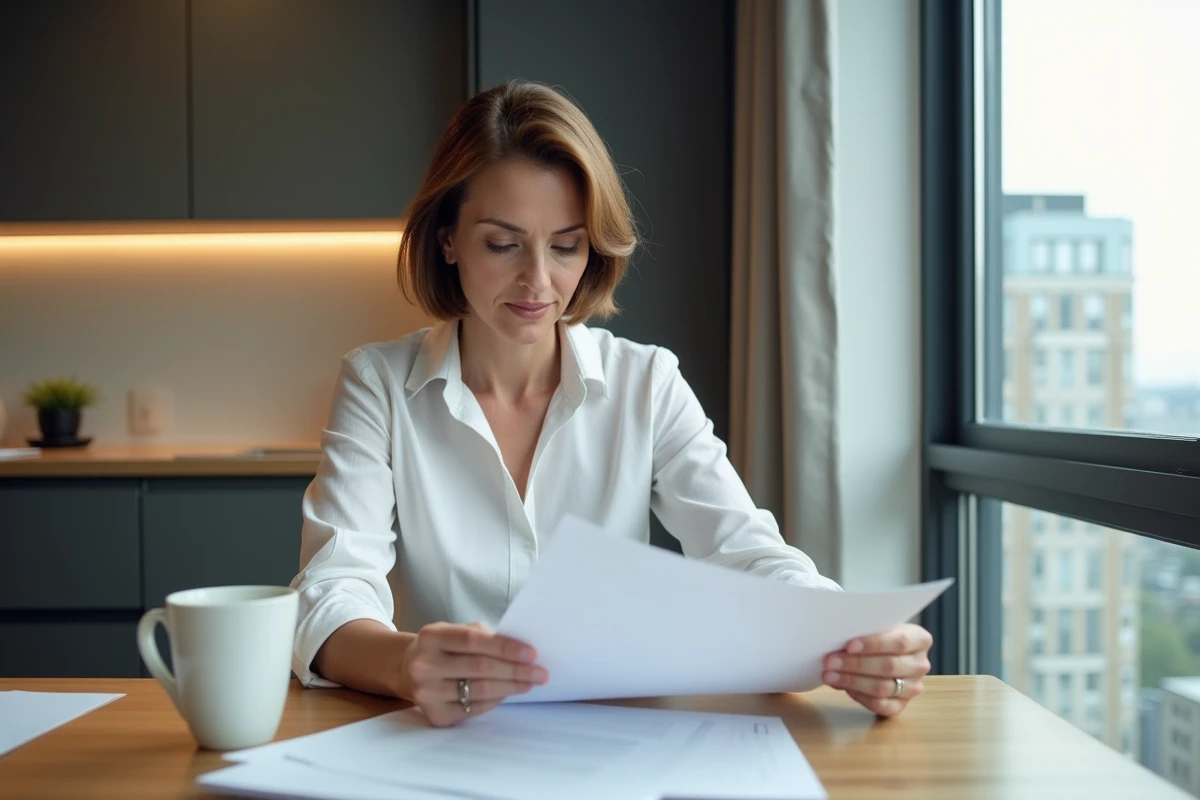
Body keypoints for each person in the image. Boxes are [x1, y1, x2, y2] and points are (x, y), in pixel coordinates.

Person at [290, 81, 932, 728]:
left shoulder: (646, 383)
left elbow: (746, 552)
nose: (539, 281)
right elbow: (332, 590)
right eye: (503, 243)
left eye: (565, 245)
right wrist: (408, 665)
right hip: (445, 736)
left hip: (615, 735)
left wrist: (856, 642)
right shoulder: (377, 384)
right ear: (449, 239)